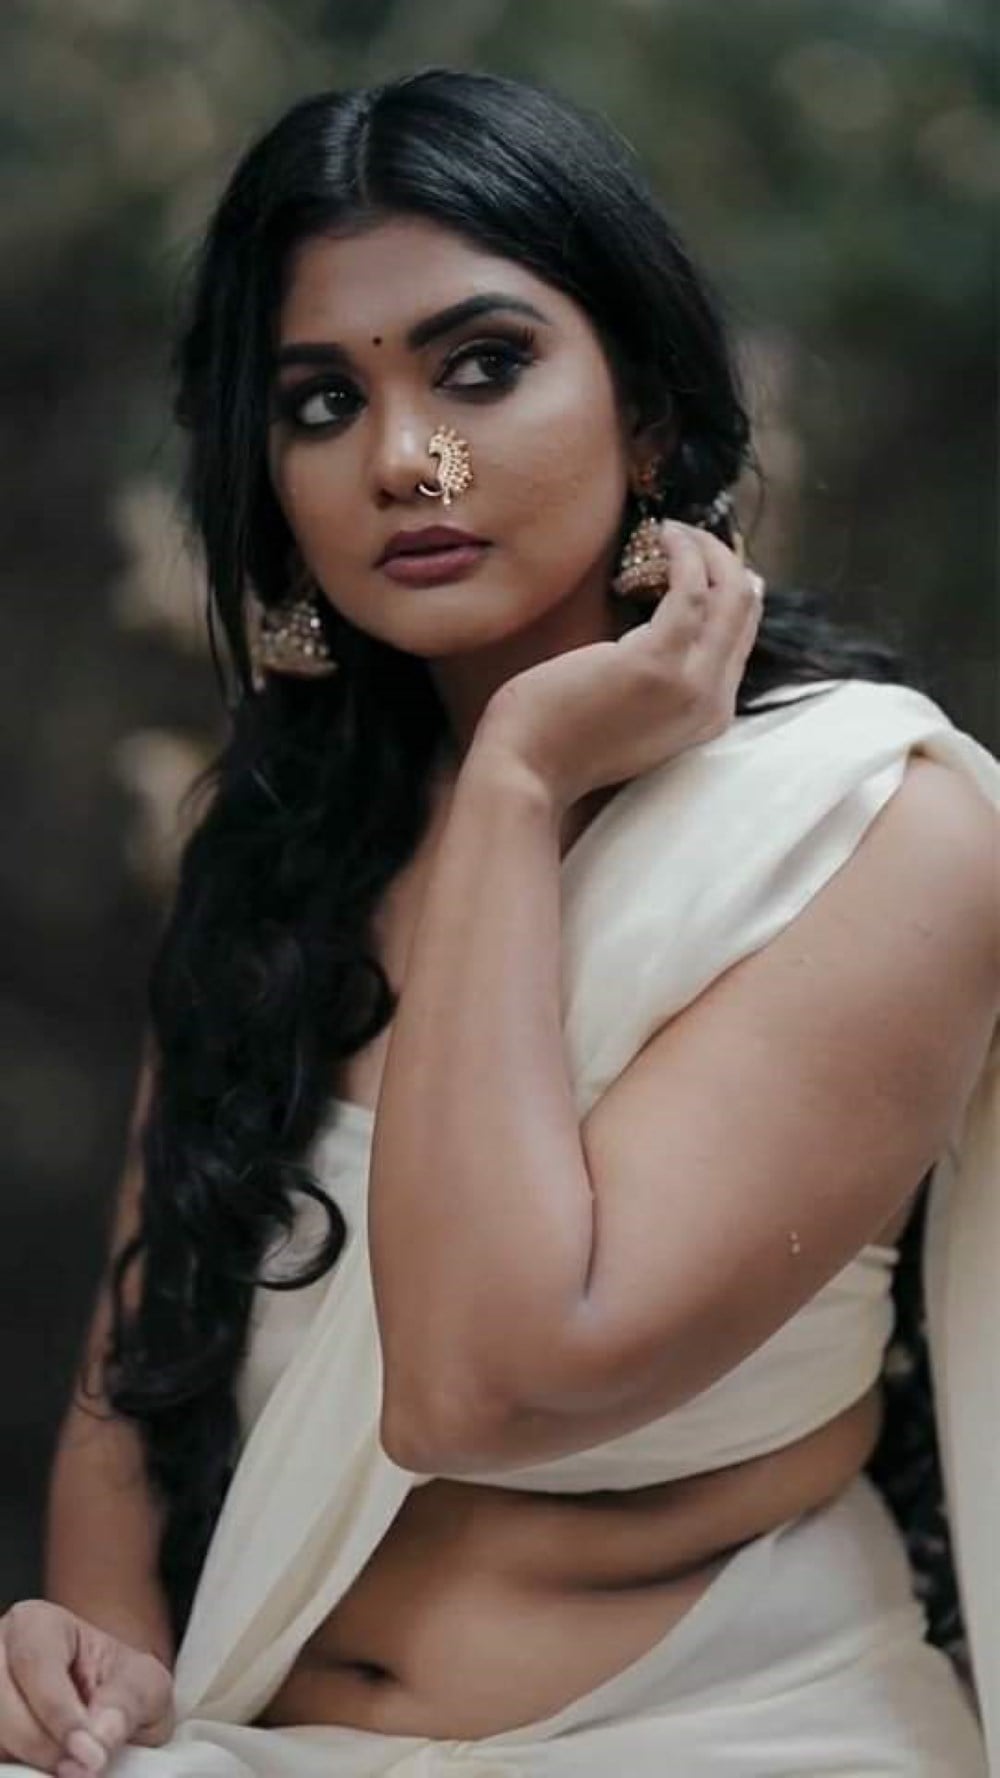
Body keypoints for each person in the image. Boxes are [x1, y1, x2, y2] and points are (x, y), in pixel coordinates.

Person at [2, 67, 996, 1778]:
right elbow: (139, 1356)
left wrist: (522, 779)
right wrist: (88, 1663)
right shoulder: (287, 847)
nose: (409, 459)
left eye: (482, 366)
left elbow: (485, 1383)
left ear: (652, 418)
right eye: (323, 402)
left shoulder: (876, 831)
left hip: (722, 1741)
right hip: (249, 1733)